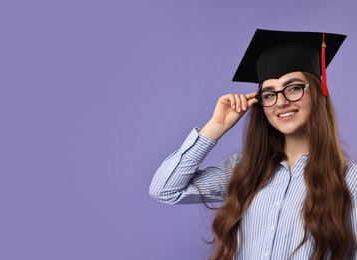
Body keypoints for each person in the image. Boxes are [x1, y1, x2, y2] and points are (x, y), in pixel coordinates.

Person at [149, 29, 357, 260]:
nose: (281, 102)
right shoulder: (246, 169)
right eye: (269, 94)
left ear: (318, 92)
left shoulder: (352, 182)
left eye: (294, 88)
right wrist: (215, 127)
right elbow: (165, 190)